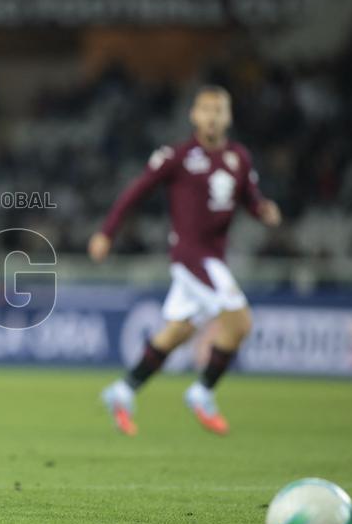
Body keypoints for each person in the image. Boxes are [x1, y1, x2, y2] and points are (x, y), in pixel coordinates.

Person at [90, 85, 281, 436]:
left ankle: (123, 390)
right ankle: (202, 390)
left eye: (218, 109)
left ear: (228, 117)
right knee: (240, 323)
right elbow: (135, 192)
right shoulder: (177, 156)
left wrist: (263, 210)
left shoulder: (239, 157)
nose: (211, 116)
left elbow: (250, 199)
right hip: (192, 256)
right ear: (194, 115)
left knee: (177, 331)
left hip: (213, 257)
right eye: (205, 109)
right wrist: (106, 232)